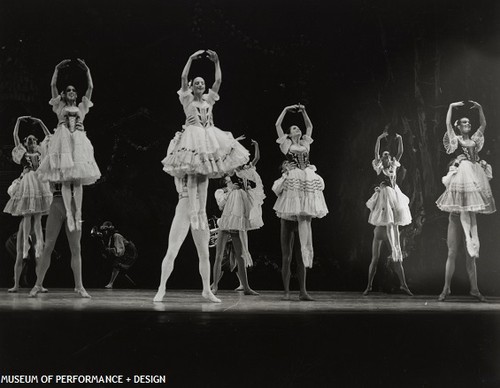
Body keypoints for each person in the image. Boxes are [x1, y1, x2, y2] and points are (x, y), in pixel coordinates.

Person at [161, 50, 249, 231]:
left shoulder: (209, 100)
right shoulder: (187, 99)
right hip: (193, 137)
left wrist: (216, 63)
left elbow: (218, 81)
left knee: (204, 176)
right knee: (193, 175)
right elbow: (183, 77)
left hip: (208, 136)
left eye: (202, 82)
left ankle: (201, 212)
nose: (200, 84)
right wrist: (190, 59)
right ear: (192, 87)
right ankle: (193, 212)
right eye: (197, 83)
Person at [37, 58, 101, 232]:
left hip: (78, 142)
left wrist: (87, 71)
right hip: (63, 143)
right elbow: (52, 87)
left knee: (77, 180)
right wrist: (56, 69)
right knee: (66, 179)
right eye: (68, 90)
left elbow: (91, 88)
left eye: (74, 90)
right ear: (64, 95)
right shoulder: (59, 107)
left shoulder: (82, 108)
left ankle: (78, 212)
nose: (72, 91)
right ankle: (69, 214)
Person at [436, 101, 495, 259]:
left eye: (468, 122)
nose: (467, 123)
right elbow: (447, 123)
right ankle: (468, 239)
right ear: (459, 127)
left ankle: (474, 240)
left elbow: (483, 124)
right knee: (464, 207)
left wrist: (480, 108)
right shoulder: (457, 140)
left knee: (473, 209)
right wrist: (450, 107)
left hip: (475, 172)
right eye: (464, 122)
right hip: (464, 172)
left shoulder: (475, 140)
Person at [273, 104, 328, 269]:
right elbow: (277, 125)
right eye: (294, 128)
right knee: (302, 216)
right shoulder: (287, 145)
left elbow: (310, 126)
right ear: (290, 134)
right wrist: (285, 109)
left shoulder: (305, 143)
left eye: (298, 127)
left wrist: (304, 111)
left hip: (307, 176)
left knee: (307, 218)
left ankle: (308, 253)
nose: (298, 129)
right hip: (296, 177)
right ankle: (304, 253)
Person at [4, 116, 52, 292]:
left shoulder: (41, 153)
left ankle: (39, 284)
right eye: (28, 139)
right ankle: (16, 284)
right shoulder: (22, 153)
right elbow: (15, 136)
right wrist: (18, 120)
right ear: (25, 143)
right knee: (23, 241)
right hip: (27, 183)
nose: (31, 140)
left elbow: (49, 138)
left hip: (38, 182)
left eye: (34, 139)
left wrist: (40, 122)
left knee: (38, 233)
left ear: (37, 143)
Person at [153, 176, 221, 303]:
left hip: (199, 208)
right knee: (172, 250)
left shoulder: (202, 166)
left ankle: (206, 289)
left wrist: (201, 211)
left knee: (205, 254)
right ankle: (161, 288)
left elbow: (203, 188)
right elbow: (181, 185)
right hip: (184, 205)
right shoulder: (181, 165)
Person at [364, 129, 413, 295]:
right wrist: (378, 138)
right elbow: (375, 152)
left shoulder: (394, 166)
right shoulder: (379, 168)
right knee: (375, 258)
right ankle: (369, 285)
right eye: (384, 155)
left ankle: (403, 284)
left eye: (387, 155)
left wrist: (400, 139)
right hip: (385, 195)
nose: (386, 156)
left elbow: (400, 152)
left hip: (394, 194)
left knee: (396, 251)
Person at [29, 183, 91, 298]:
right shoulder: (53, 166)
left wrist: (78, 211)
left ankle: (79, 286)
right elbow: (48, 185)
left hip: (73, 203)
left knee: (76, 248)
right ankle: (38, 284)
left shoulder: (76, 165)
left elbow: (79, 185)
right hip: (56, 202)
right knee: (48, 246)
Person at [272, 161, 313, 301]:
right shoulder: (283, 179)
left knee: (302, 255)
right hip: (287, 220)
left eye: (291, 162)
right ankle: (287, 292)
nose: (290, 164)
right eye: (286, 163)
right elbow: (276, 190)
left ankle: (303, 291)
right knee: (287, 257)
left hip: (301, 218)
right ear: (283, 168)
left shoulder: (301, 177)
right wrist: (286, 175)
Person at [211, 174, 259, 295]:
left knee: (240, 256)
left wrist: (244, 188)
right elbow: (221, 204)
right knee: (219, 255)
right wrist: (231, 190)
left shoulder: (238, 190)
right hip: (225, 221)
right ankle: (215, 286)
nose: (230, 181)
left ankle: (246, 287)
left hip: (235, 223)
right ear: (224, 182)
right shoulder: (219, 192)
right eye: (228, 180)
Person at [438, 212, 486, 301]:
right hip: (455, 217)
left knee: (471, 255)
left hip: (469, 216)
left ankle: (474, 289)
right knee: (451, 253)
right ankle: (446, 288)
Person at [92, 221, 138, 289]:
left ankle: (111, 283)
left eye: (106, 230)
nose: (105, 232)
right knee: (119, 268)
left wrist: (109, 250)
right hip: (125, 252)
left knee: (117, 264)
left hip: (130, 253)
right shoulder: (110, 238)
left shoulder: (116, 236)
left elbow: (119, 251)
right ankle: (133, 285)